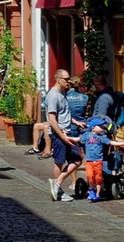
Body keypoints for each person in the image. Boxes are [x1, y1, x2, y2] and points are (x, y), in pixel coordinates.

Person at [46, 69, 83, 202]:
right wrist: (62, 136)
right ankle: (58, 189)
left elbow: (64, 113)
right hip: (60, 134)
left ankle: (57, 185)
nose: (69, 82)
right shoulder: (53, 96)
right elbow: (52, 119)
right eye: (66, 79)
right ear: (58, 79)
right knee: (59, 161)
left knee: (77, 160)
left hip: (67, 132)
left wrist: (75, 121)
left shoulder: (63, 93)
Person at [70, 122, 124, 202]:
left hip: (98, 161)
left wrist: (123, 143)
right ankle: (92, 190)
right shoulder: (87, 135)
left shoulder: (102, 138)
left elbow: (111, 142)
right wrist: (65, 137)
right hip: (89, 161)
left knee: (98, 179)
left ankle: (97, 194)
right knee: (90, 176)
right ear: (94, 127)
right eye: (100, 126)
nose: (102, 128)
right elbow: (77, 139)